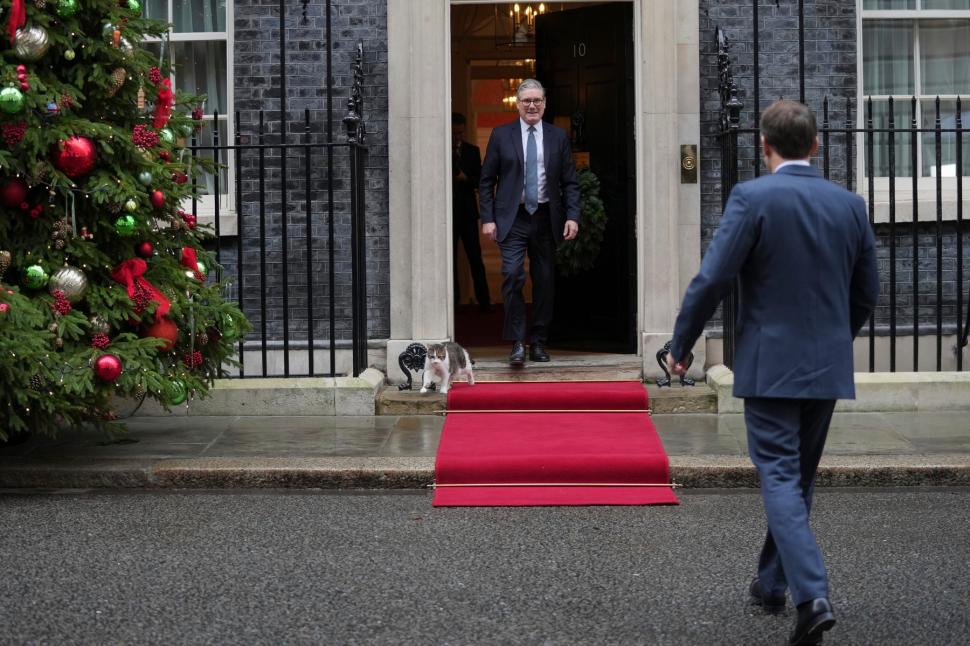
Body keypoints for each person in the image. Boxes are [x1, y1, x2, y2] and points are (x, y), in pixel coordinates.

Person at [666, 100, 879, 646]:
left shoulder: (752, 197)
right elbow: (867, 294)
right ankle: (771, 582)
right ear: (815, 146)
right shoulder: (850, 204)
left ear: (764, 146)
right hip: (825, 365)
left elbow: (712, 280)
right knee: (798, 477)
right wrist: (834, 341)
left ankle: (813, 596)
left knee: (781, 477)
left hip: (770, 365)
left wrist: (681, 344)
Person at [479, 79, 580, 367]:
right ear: (518, 104)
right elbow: (486, 181)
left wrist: (573, 216)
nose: (532, 105)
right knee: (512, 275)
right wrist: (488, 219)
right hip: (513, 218)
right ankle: (516, 343)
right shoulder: (501, 135)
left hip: (547, 217)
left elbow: (570, 182)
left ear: (545, 104)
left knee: (545, 281)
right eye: (526, 101)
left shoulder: (558, 137)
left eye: (537, 100)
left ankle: (538, 341)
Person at [451, 113, 491, 312]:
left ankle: (485, 301)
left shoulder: (472, 151)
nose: (458, 136)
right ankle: (454, 304)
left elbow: (480, 180)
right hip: (448, 215)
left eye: (460, 132)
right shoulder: (442, 150)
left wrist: (465, 178)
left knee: (475, 258)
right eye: (454, 132)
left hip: (467, 213)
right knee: (450, 261)